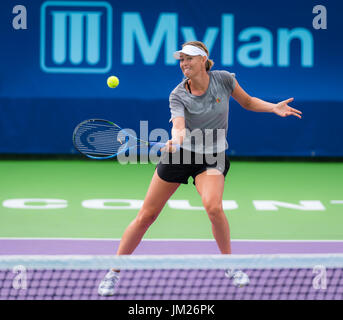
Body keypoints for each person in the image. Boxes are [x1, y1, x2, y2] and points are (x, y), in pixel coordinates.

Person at [98, 41, 302, 296]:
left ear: (203, 60)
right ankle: (113, 272)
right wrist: (177, 139)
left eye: (189, 59)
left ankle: (230, 265)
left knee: (214, 207)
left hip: (212, 156)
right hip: (179, 155)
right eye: (181, 59)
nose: (184, 64)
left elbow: (247, 102)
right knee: (146, 216)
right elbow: (180, 127)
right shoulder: (177, 94)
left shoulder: (224, 80)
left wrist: (273, 107)